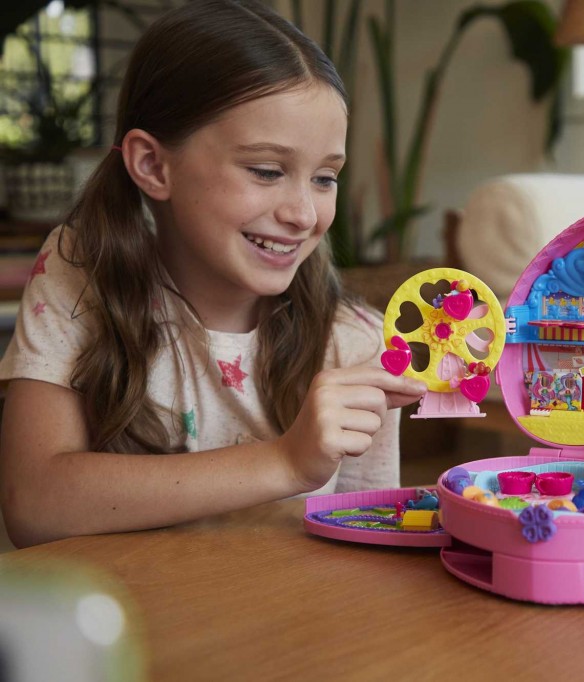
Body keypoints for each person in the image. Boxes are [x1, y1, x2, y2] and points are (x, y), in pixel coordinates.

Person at [0, 0, 425, 548]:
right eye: (266, 171)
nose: (304, 214)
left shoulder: (353, 343)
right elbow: (34, 505)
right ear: (153, 165)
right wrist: (286, 462)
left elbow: (369, 545)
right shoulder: (82, 272)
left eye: (325, 178)